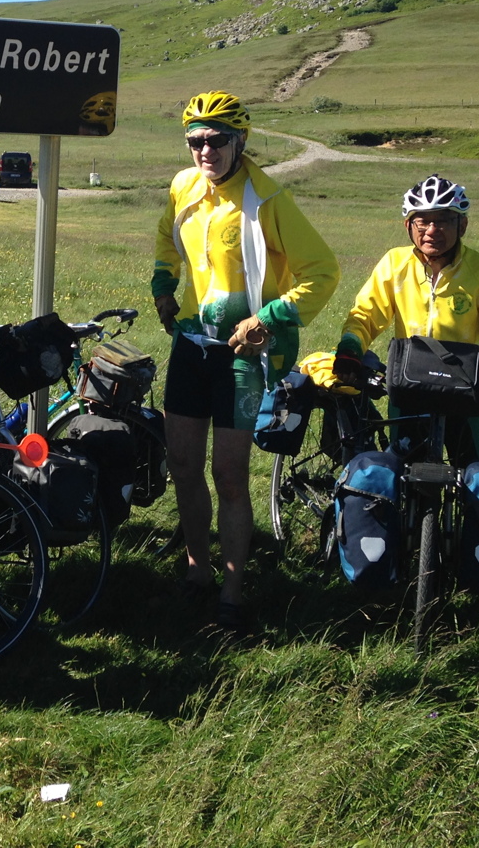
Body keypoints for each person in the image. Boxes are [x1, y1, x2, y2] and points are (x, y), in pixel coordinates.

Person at [152, 91, 340, 628]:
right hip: (191, 347)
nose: (205, 151)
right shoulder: (183, 187)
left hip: (243, 355)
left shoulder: (267, 199)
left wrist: (271, 318)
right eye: (195, 141)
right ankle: (197, 571)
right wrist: (164, 286)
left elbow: (321, 271)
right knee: (183, 466)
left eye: (216, 140)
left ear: (241, 141)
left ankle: (232, 593)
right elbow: (167, 237)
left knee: (229, 475)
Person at [333, 174, 479, 463]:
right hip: (409, 388)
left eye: (444, 220)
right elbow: (366, 316)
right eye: (423, 220)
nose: (432, 230)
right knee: (404, 480)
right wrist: (350, 351)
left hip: (466, 391)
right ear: (408, 225)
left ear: (463, 225)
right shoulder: (395, 264)